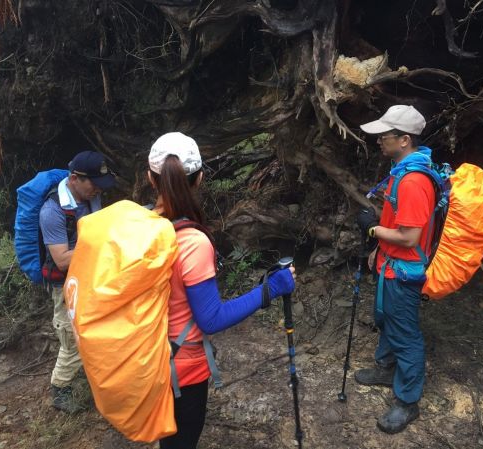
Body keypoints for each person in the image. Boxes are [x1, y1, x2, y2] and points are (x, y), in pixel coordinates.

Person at [147, 132, 296, 449]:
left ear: (150, 178)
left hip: (146, 357)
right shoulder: (191, 241)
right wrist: (271, 289)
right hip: (181, 369)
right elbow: (211, 319)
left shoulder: (142, 226)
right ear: (199, 179)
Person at [355, 105, 435, 434]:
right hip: (390, 263)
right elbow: (396, 224)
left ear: (404, 139)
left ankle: (407, 401)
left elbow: (410, 235)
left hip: (404, 270)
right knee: (385, 318)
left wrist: (372, 229)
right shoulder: (401, 170)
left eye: (384, 136)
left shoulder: (414, 181)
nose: (378, 140)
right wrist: (378, 247)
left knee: (406, 334)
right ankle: (387, 369)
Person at [39, 150, 115, 413]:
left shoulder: (90, 196)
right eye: (93, 184)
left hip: (91, 275)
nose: (98, 190)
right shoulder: (52, 211)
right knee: (71, 338)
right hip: (65, 285)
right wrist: (102, 245)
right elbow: (61, 259)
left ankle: (96, 372)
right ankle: (60, 389)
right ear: (74, 179)